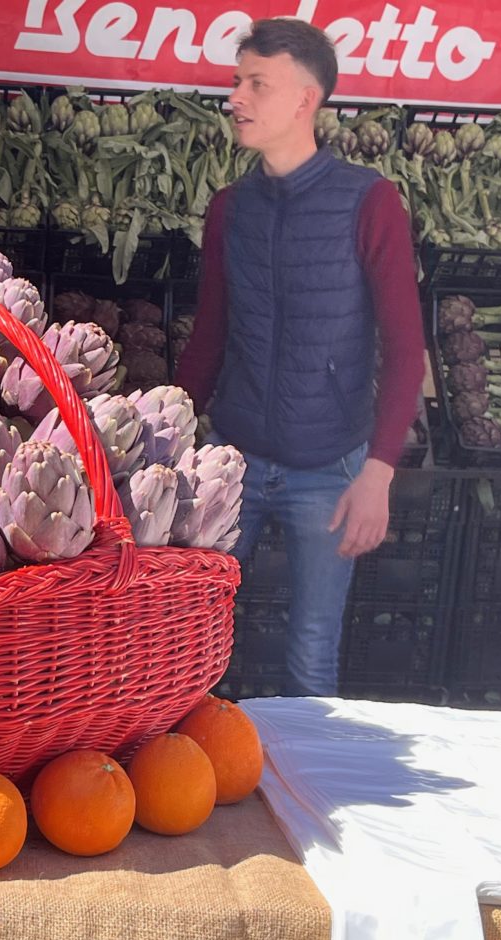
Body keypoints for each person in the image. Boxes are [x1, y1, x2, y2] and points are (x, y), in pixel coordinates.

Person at [174, 17, 424, 697]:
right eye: (236, 82)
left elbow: (405, 348)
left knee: (312, 653)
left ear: (305, 100)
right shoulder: (231, 209)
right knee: (194, 645)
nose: (237, 98)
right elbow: (210, 337)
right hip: (236, 462)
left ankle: (307, 803)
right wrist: (165, 438)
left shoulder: (369, 203)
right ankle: (199, 789)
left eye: (257, 84)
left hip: (331, 472)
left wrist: (377, 473)